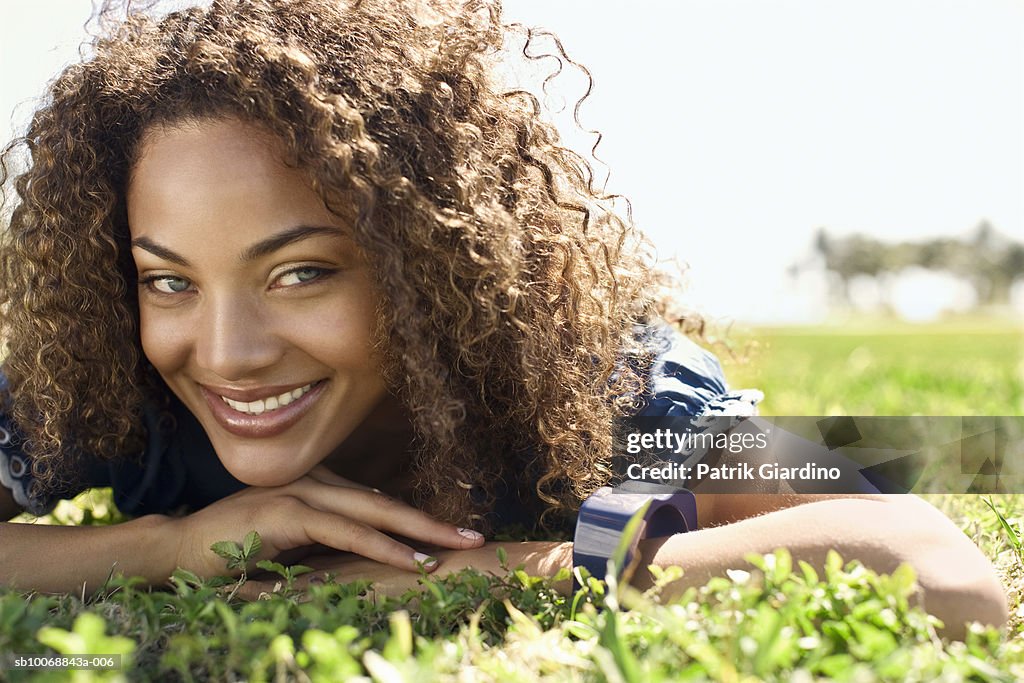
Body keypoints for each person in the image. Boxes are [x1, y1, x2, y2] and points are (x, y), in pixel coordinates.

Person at [0, 0, 1005, 637]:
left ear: (428, 264)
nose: (224, 353)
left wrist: (499, 571)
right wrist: (177, 544)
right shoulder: (110, 372)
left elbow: (930, 560)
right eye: (168, 280)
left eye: (301, 272)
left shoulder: (600, 392)